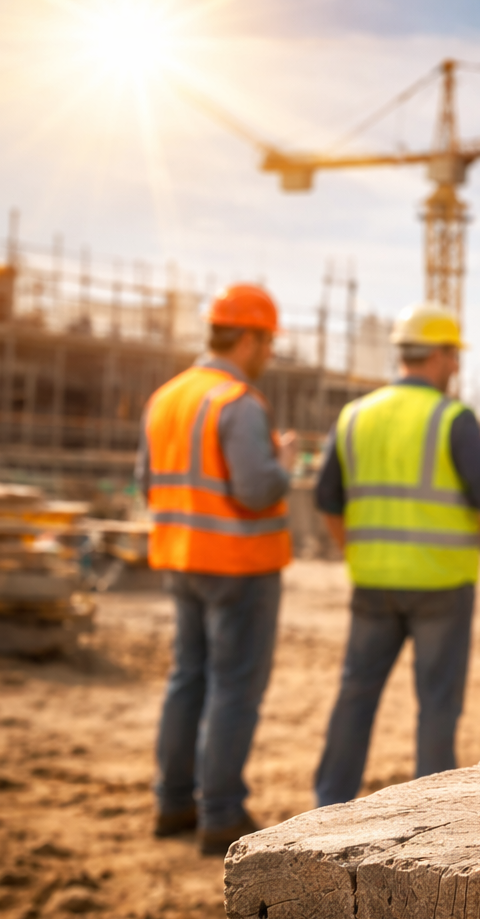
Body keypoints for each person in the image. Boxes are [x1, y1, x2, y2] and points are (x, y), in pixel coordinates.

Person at [312, 301, 480, 807]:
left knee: (356, 693)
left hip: (373, 580)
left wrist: (356, 551)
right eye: (454, 356)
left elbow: (326, 500)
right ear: (439, 355)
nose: (456, 366)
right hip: (442, 584)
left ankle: (328, 802)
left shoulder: (355, 415)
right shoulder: (453, 419)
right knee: (437, 704)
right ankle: (431, 812)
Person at [141, 283, 298, 856]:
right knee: (234, 686)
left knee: (187, 678)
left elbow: (146, 483)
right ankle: (221, 811)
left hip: (181, 558)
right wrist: (283, 463)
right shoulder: (237, 402)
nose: (271, 353)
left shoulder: (167, 397)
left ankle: (173, 801)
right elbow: (256, 489)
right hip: (238, 564)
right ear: (248, 338)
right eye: (269, 341)